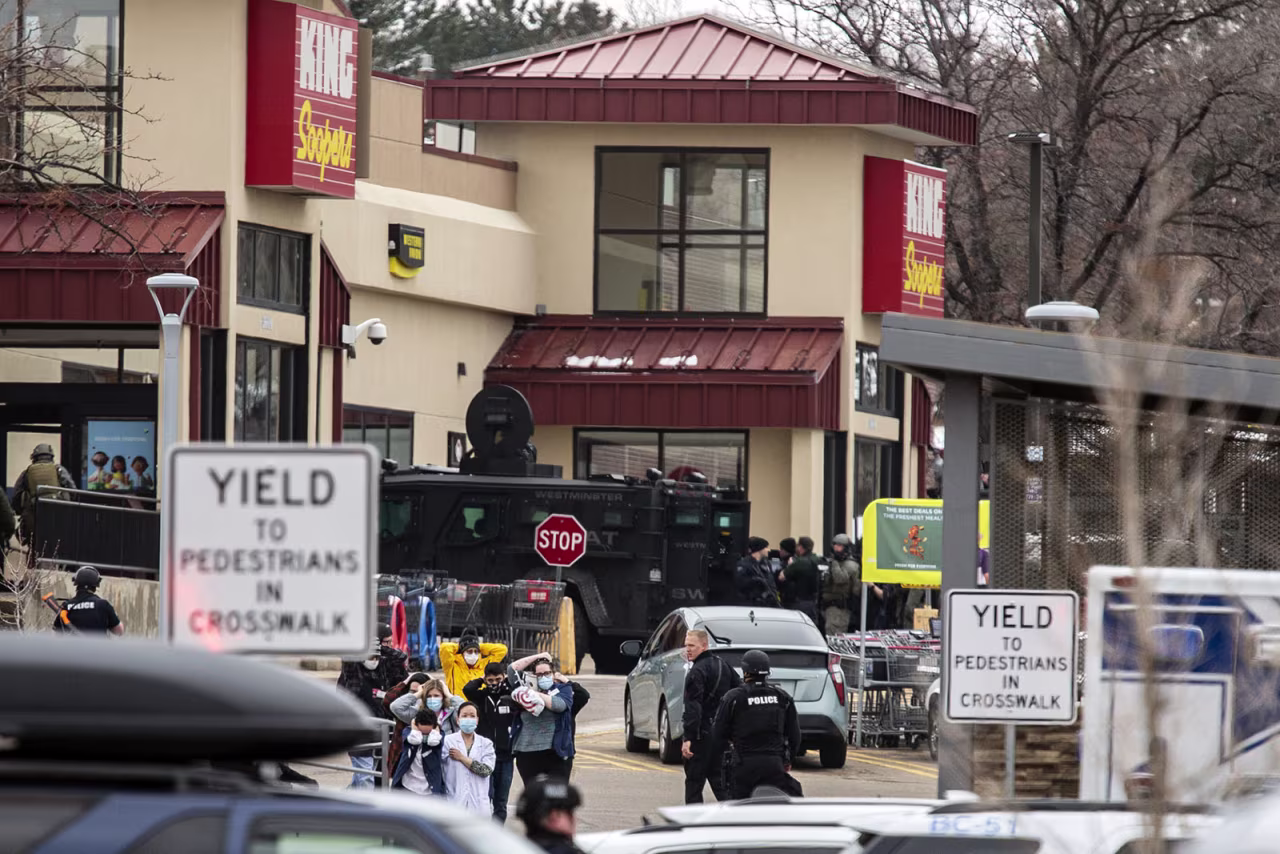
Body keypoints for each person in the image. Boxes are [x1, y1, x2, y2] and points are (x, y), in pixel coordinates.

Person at [708, 649, 802, 800]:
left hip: (744, 765)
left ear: (745, 670)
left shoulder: (734, 697)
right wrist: (787, 760)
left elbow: (718, 734)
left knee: (740, 810)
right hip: (774, 765)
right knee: (776, 804)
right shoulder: (782, 697)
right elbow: (795, 735)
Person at [336, 624, 404, 788]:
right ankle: (365, 810)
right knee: (366, 779)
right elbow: (348, 658)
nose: (373, 661)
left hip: (380, 731)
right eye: (385, 642)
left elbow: (400, 658)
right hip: (359, 731)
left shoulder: (384, 667)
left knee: (365, 778)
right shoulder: (353, 673)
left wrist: (381, 650)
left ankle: (340, 804)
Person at [680, 628, 741, 803]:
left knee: (694, 783)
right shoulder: (724, 665)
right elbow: (738, 693)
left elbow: (693, 708)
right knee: (720, 782)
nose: (688, 650)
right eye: (686, 646)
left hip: (701, 736)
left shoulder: (696, 672)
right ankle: (732, 820)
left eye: (692, 645)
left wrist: (688, 738)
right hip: (720, 735)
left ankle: (693, 823)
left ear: (704, 646)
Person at [463, 661, 519, 822]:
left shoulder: (511, 696)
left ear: (504, 677)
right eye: (490, 680)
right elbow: (468, 689)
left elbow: (523, 689)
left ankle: (498, 832)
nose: (494, 683)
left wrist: (508, 682)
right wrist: (481, 679)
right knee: (484, 798)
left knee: (501, 801)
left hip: (506, 756)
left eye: (498, 679)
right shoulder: (481, 696)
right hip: (484, 756)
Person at [508, 652, 575, 783]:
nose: (544, 677)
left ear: (553, 673)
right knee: (534, 798)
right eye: (539, 674)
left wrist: (534, 694)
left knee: (557, 796)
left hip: (555, 753)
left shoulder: (563, 689)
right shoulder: (524, 690)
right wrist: (539, 656)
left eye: (547, 673)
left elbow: (559, 705)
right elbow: (512, 669)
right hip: (527, 752)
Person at [13, 443, 75, 545]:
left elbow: (16, 495)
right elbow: (72, 489)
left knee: (33, 544)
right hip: (58, 517)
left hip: (34, 519)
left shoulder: (27, 472)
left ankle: (33, 558)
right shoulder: (58, 470)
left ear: (34, 458)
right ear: (51, 456)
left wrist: (21, 512)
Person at [443, 701, 497, 815]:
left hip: (479, 805)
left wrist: (462, 758)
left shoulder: (486, 744)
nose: (468, 719)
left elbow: (486, 770)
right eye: (464, 715)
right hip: (454, 801)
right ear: (458, 719)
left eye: (472, 716)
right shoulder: (448, 741)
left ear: (477, 720)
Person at [518, 775, 586, 854]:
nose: (574, 819)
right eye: (570, 813)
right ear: (555, 816)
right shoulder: (566, 851)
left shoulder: (513, 847)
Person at [383, 671, 432, 780]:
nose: (415, 694)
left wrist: (433, 685)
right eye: (412, 691)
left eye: (419, 691)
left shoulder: (429, 709)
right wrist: (405, 682)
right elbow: (388, 701)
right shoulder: (405, 707)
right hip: (401, 752)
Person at [51, 566, 122, 635]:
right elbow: (119, 631)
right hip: (99, 646)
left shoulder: (66, 607)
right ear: (95, 585)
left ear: (76, 583)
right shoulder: (103, 604)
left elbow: (56, 635)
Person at [391, 708, 447, 796]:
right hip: (408, 786)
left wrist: (436, 730)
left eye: (427, 733)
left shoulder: (440, 735)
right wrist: (414, 726)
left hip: (429, 788)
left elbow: (434, 742)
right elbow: (414, 740)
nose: (424, 736)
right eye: (422, 732)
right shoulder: (408, 731)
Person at [440, 628, 509, 696]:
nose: (473, 654)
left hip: (478, 704)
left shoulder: (484, 665)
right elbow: (445, 648)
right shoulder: (452, 665)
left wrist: (478, 646)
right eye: (469, 651)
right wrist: (463, 645)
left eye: (476, 651)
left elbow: (502, 650)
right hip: (458, 705)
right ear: (462, 653)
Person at [392, 677, 460, 743]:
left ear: (443, 697)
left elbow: (465, 709)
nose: (432, 699)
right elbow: (396, 707)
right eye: (429, 696)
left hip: (447, 753)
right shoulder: (417, 713)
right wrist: (418, 693)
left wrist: (449, 694)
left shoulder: (451, 713)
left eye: (436, 696)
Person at [780, 536, 821, 629]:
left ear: (801, 547)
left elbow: (781, 577)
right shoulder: (817, 559)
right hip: (814, 602)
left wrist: (789, 565)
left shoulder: (800, 562)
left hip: (800, 601)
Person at [822, 533, 857, 635]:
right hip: (827, 607)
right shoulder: (834, 563)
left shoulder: (851, 565)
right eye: (835, 545)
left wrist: (834, 563)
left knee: (834, 636)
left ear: (846, 548)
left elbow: (840, 578)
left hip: (840, 609)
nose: (836, 548)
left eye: (839, 546)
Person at [734, 536, 779, 607]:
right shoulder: (744, 564)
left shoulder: (766, 564)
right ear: (759, 549)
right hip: (750, 603)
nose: (768, 550)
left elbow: (771, 582)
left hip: (767, 603)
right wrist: (755, 580)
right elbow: (740, 583)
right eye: (766, 547)